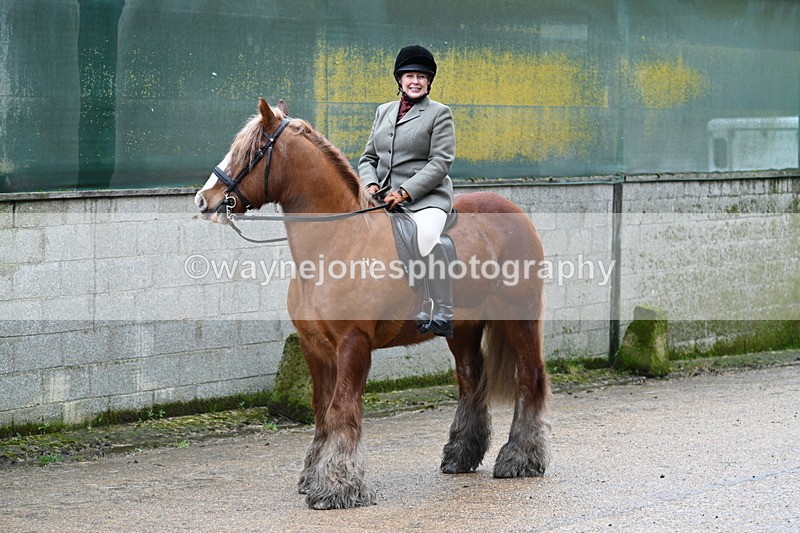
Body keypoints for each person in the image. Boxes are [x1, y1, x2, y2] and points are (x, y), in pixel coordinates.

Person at [358, 44, 456, 338]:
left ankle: (441, 309)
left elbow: (441, 162)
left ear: (429, 81)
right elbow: (368, 158)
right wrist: (371, 183)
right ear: (399, 80)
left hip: (426, 198)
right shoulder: (383, 111)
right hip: (383, 197)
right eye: (409, 75)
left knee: (426, 236)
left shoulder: (439, 113)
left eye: (421, 77)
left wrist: (404, 192)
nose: (415, 81)